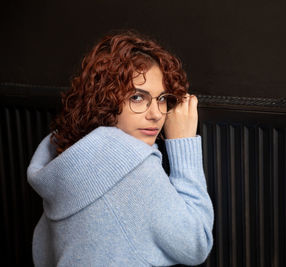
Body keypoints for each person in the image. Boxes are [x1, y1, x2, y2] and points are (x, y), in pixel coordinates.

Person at [27, 30, 214, 266]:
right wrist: (183, 144)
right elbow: (196, 244)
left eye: (162, 98)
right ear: (104, 101)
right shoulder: (130, 166)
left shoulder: (67, 159)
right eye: (137, 97)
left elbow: (42, 253)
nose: (156, 114)